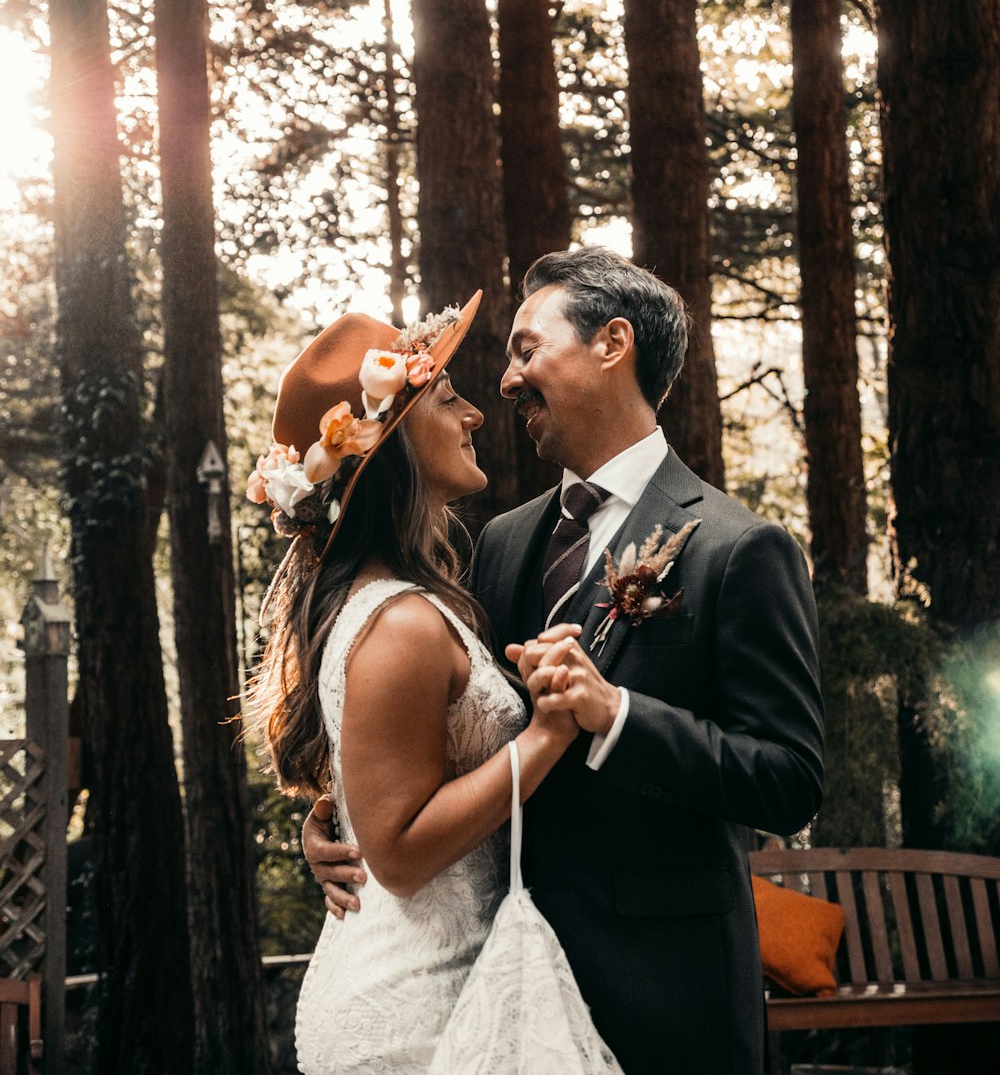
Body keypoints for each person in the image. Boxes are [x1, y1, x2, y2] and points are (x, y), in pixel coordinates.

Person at [305, 247, 825, 1075]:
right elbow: (445, 731)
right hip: (501, 997)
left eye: (524, 349)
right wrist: (344, 822)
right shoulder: (501, 543)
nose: (506, 383)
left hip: (667, 999)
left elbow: (791, 778)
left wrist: (618, 715)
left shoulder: (739, 549)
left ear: (612, 343)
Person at [247, 292, 579, 1075]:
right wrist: (545, 737)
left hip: (445, 982)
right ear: (389, 443)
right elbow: (395, 854)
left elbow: (388, 795)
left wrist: (339, 816)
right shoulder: (398, 620)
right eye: (446, 395)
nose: (472, 413)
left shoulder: (405, 597)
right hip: (417, 1010)